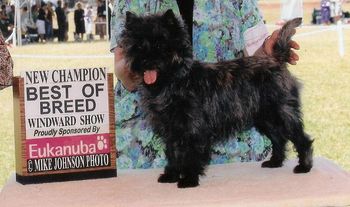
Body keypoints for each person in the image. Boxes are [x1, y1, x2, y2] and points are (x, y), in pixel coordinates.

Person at [110, 0, 300, 169]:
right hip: (147, 133)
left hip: (226, 123)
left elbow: (255, 53)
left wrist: (268, 52)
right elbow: (122, 66)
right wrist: (141, 65)